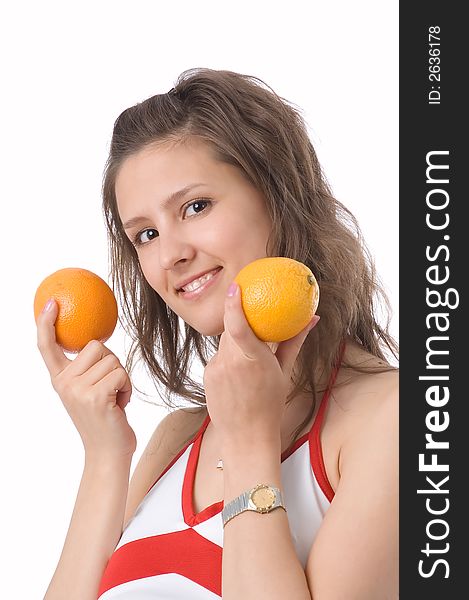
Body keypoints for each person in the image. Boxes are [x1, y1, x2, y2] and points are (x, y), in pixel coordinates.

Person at [37, 68, 398, 599]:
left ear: (278, 196)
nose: (171, 254)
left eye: (196, 207)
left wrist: (252, 442)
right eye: (146, 234)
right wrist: (104, 455)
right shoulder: (174, 441)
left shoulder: (398, 420)